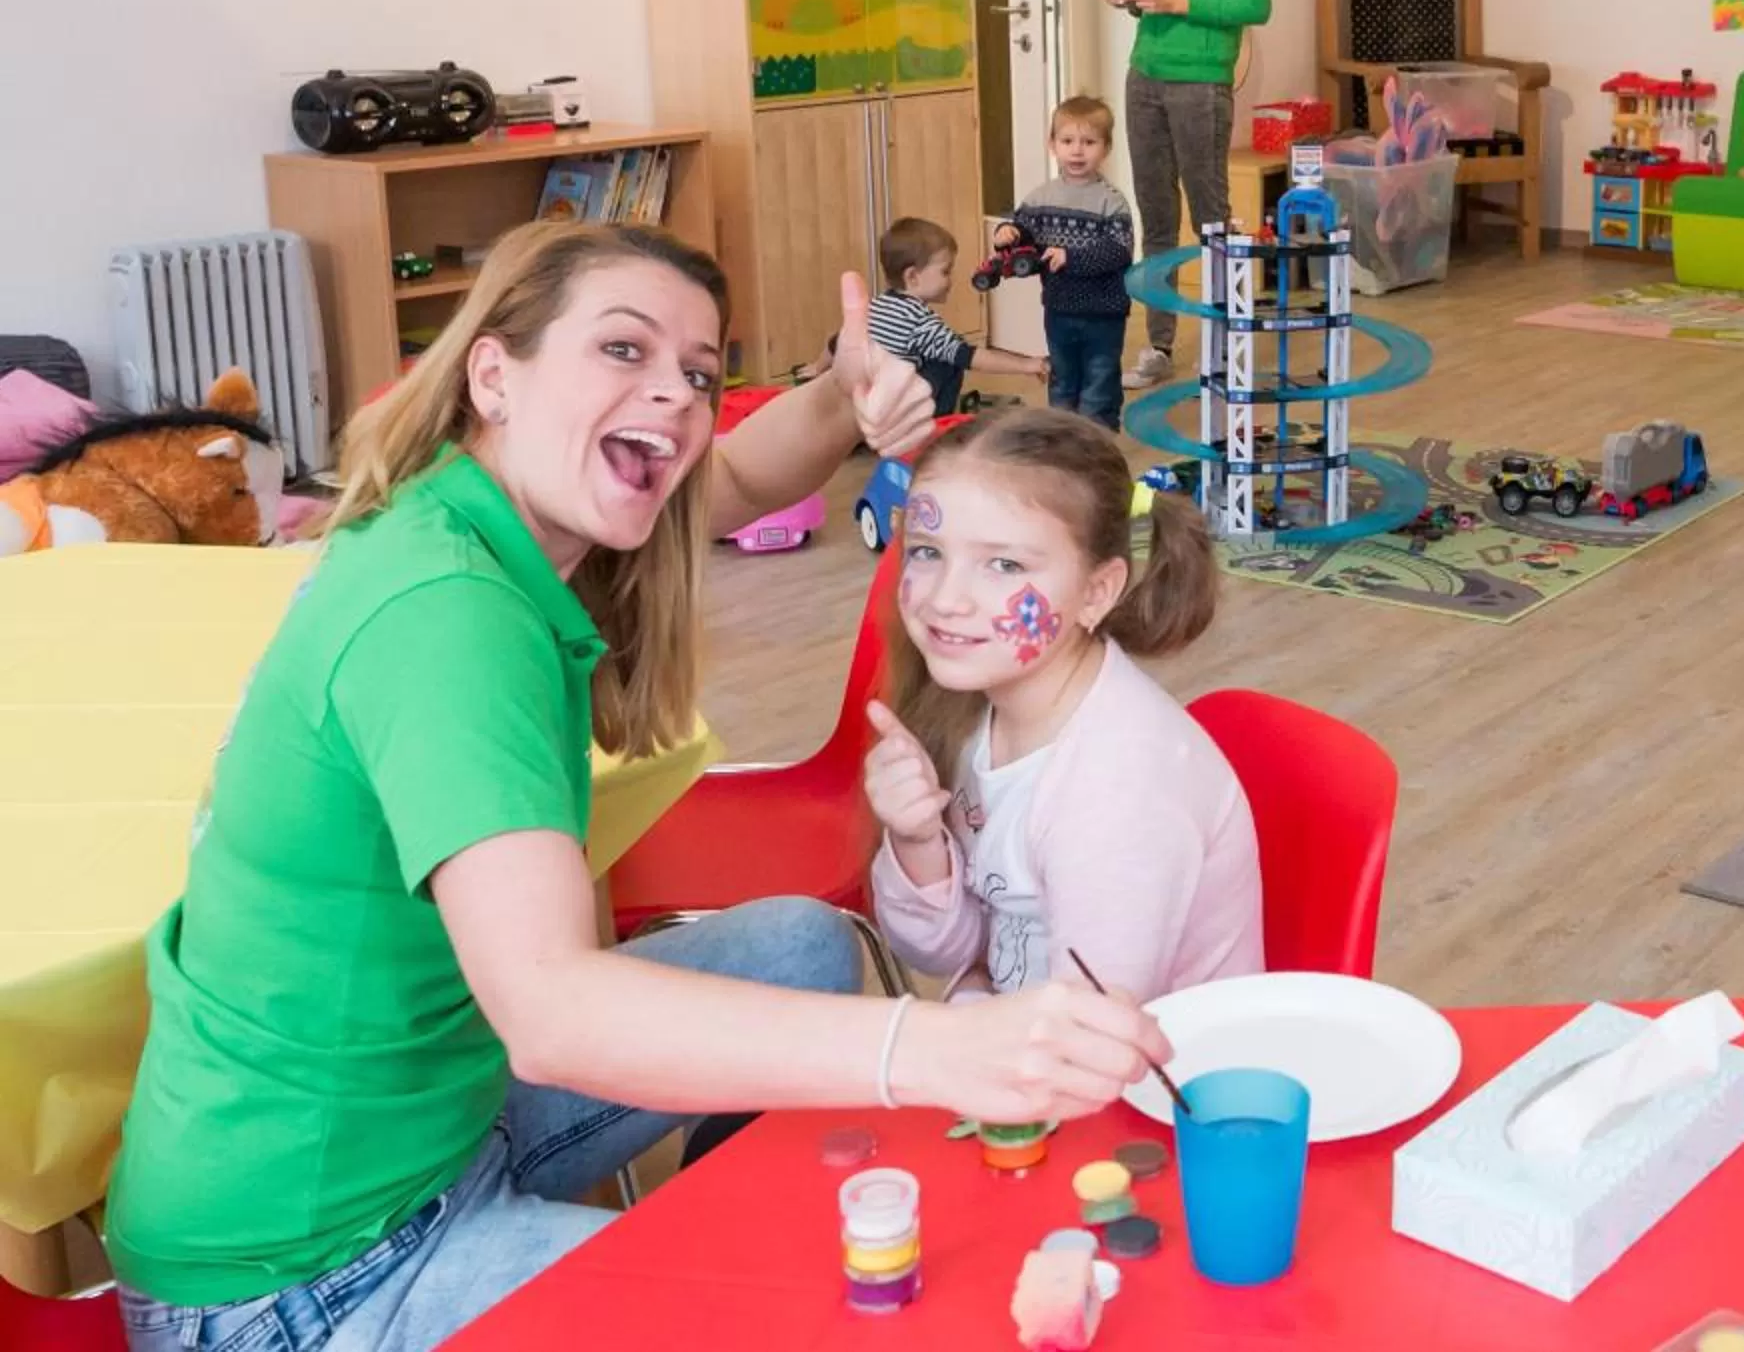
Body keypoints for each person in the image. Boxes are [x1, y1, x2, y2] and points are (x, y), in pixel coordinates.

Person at [104, 222, 1169, 1352]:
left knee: (804, 945)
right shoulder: (446, 618)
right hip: (311, 1273)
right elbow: (553, 1012)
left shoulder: (497, 517)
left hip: (443, 1117)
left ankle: (694, 1231)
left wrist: (839, 388)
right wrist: (936, 1046)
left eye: (699, 374)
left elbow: (750, 472)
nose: (672, 396)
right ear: (494, 373)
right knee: (810, 1314)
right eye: (624, 350)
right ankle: (688, 1265)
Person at [864, 407, 1260, 1002]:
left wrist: (957, 1017)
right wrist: (919, 844)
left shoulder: (1117, 791)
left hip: (1134, 1079)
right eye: (926, 551)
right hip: (1026, 1048)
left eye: (1004, 565)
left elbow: (1091, 1033)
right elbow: (954, 950)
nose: (946, 598)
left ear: (1097, 592)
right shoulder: (983, 712)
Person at [1104, 0, 1270, 390]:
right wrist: (1138, 3)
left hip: (1200, 84)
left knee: (1211, 219)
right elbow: (1165, 2)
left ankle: (1224, 342)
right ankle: (1158, 346)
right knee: (1154, 215)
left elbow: (1257, 3)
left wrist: (1177, 1)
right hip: (1146, 72)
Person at [990, 96, 1137, 430]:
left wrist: (1072, 258)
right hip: (1059, 310)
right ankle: (1062, 441)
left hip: (1104, 313)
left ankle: (1096, 444)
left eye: (1089, 142)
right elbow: (1023, 232)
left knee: (1099, 383)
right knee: (1062, 380)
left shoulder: (1111, 201)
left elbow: (1119, 251)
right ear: (1052, 145)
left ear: (1106, 148)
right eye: (1067, 141)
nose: (1077, 151)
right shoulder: (1042, 197)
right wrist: (1007, 232)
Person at [865, 215, 1041, 418]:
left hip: (871, 405)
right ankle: (937, 425)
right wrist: (1027, 365)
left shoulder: (876, 305)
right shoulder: (920, 323)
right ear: (912, 277)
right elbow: (970, 356)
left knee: (937, 352)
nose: (951, 280)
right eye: (945, 272)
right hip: (897, 415)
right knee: (950, 359)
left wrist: (818, 369)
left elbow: (837, 345)